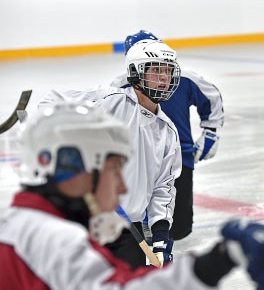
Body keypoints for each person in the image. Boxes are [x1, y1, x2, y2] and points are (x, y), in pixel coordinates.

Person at [0, 102, 264, 290]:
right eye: (115, 170)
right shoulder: (52, 240)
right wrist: (218, 260)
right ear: (74, 171)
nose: (122, 188)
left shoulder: (23, 227)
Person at [39, 39, 183, 269]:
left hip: (128, 231)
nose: (164, 77)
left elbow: (163, 189)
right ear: (137, 72)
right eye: (156, 70)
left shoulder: (167, 133)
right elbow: (52, 101)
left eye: (167, 70)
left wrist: (160, 237)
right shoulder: (111, 102)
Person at [112, 30, 224, 241]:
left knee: (179, 228)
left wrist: (211, 132)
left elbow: (211, 98)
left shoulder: (184, 78)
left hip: (180, 155)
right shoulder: (119, 87)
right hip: (139, 159)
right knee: (141, 215)